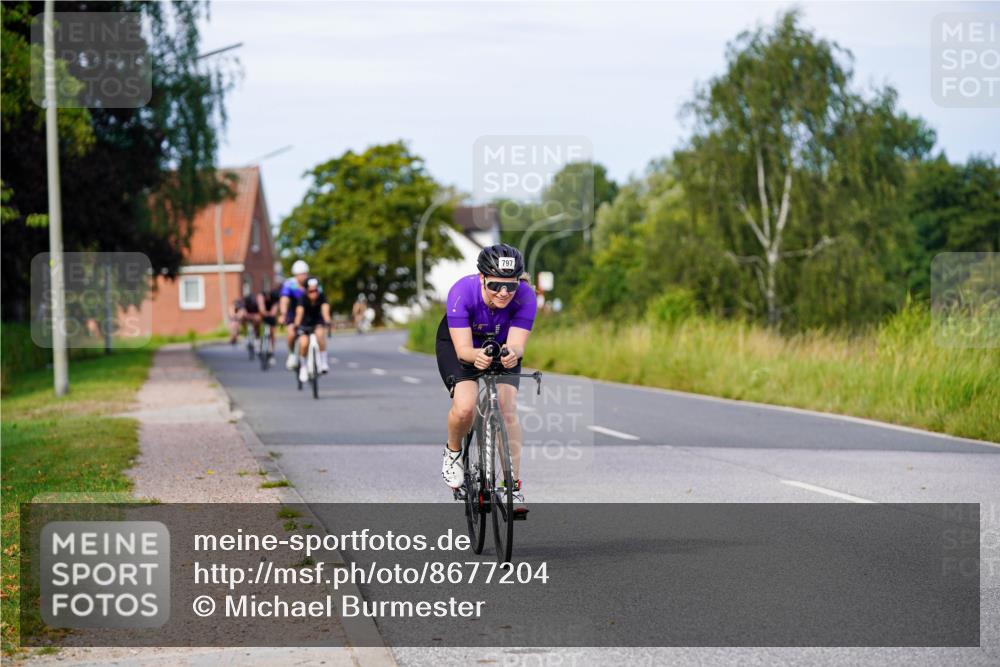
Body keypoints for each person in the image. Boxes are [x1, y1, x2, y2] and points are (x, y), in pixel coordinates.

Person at [436, 243, 536, 517]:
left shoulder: (526, 297)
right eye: (495, 285)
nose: (503, 293)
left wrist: (511, 354)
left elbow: (517, 345)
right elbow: (463, 351)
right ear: (482, 278)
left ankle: (511, 485)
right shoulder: (462, 292)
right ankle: (453, 451)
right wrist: (474, 356)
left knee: (507, 406)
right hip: (462, 344)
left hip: (501, 344)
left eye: (510, 286)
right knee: (465, 406)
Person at [293, 277, 332, 383]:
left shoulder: (322, 297)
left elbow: (325, 310)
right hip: (305, 323)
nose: (314, 293)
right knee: (304, 343)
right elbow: (299, 313)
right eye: (311, 291)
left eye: (316, 290)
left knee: (320, 335)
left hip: (317, 322)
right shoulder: (302, 299)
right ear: (306, 290)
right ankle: (303, 367)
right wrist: (296, 325)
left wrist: (327, 320)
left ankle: (323, 361)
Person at [280, 260, 311, 370]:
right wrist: (283, 314)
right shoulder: (289, 284)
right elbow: (284, 300)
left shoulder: (311, 283)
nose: (304, 276)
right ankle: (292, 353)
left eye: (305, 274)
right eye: (301, 274)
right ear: (295, 275)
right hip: (293, 314)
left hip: (309, 314)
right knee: (292, 333)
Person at [257, 284, 281, 364]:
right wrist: (264, 312)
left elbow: (275, 307)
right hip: (263, 313)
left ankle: (271, 351)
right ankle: (260, 347)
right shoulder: (260, 296)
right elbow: (261, 307)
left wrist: (272, 313)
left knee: (272, 333)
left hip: (271, 313)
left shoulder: (274, 297)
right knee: (262, 329)